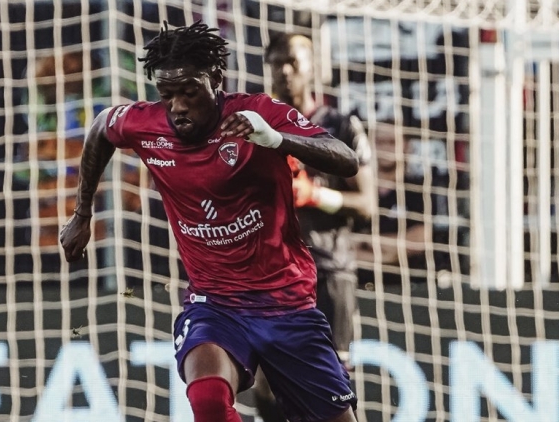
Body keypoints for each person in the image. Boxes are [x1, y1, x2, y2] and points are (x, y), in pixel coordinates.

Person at [60, 21, 359, 422]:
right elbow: (101, 128)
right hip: (216, 304)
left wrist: (276, 139)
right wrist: (82, 213)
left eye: (189, 92)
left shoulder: (256, 114)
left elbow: (346, 159)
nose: (177, 106)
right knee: (208, 401)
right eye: (167, 94)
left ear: (216, 79)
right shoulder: (146, 124)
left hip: (286, 303)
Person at [250, 32, 375, 422]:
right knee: (265, 380)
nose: (284, 71)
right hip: (272, 271)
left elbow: (367, 204)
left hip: (328, 269)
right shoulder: (254, 127)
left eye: (292, 62)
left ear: (312, 68)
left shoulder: (339, 126)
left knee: (331, 385)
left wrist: (314, 195)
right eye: (276, 63)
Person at [356, 121, 449, 287]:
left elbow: (418, 241)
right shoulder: (357, 190)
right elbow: (347, 247)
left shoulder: (418, 191)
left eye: (392, 142)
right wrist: (391, 253)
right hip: (361, 285)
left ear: (406, 146)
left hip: (409, 287)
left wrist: (366, 242)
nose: (386, 148)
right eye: (380, 142)